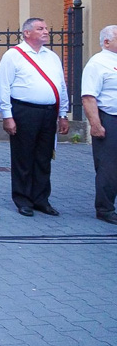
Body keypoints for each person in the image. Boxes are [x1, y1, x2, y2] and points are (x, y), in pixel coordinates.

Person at [0, 17, 69, 217]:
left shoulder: (52, 56)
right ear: (27, 33)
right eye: (40, 28)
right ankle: (23, 199)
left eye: (46, 28)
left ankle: (41, 199)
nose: (46, 31)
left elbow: (60, 86)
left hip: (48, 112)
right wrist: (7, 116)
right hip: (24, 111)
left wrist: (63, 113)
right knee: (23, 156)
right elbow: (3, 86)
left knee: (44, 157)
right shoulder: (14, 55)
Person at [81, 25, 117, 225]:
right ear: (106, 42)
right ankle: (105, 208)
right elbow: (88, 97)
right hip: (109, 118)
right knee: (109, 168)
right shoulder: (98, 63)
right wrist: (95, 124)